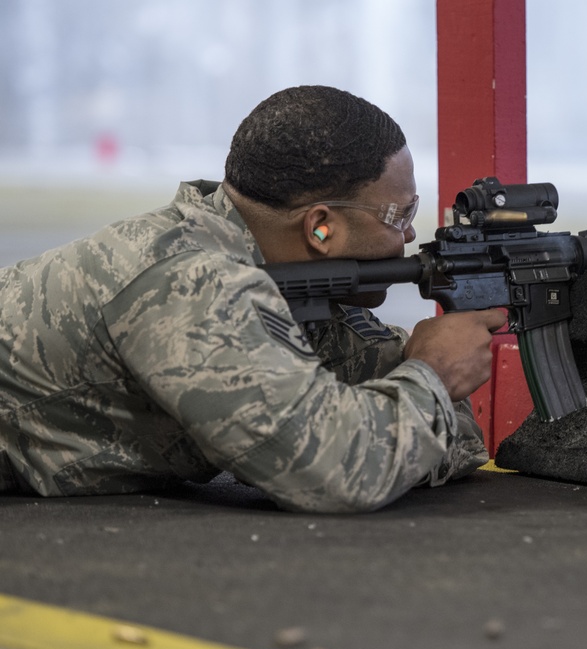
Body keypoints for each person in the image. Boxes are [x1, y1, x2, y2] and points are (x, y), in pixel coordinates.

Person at [0, 85, 506, 513]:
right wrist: (433, 376)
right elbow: (331, 471)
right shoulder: (189, 283)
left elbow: (453, 439)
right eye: (398, 215)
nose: (410, 233)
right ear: (321, 227)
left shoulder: (284, 281)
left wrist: (408, 398)